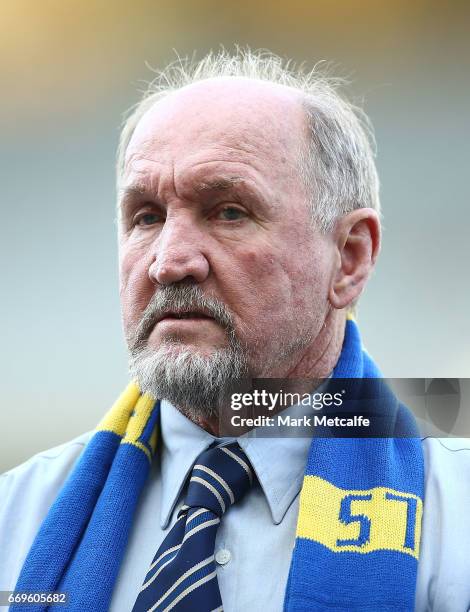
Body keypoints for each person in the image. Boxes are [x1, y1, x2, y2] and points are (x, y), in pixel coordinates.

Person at [1, 49, 469, 612]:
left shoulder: (456, 520)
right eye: (146, 216)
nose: (169, 262)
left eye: (228, 212)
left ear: (348, 259)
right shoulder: (15, 521)